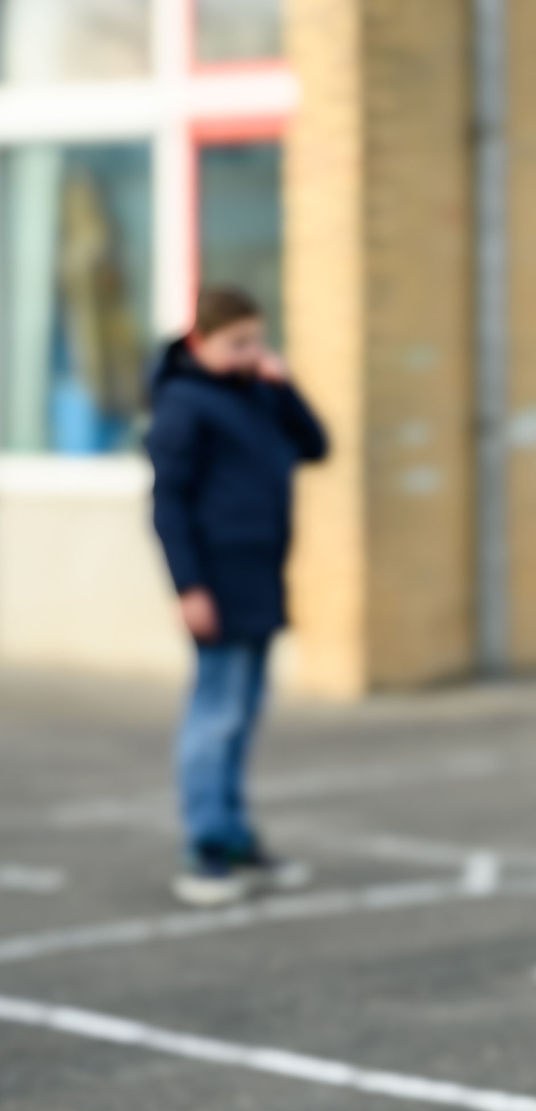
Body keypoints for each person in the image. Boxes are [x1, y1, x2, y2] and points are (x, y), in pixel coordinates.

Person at [146, 285, 327, 907]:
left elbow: (316, 446)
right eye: (238, 343)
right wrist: (188, 586)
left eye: (258, 340)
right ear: (201, 342)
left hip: (260, 574)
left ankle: (234, 834)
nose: (252, 353)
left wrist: (286, 385)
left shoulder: (257, 394)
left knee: (244, 712)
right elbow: (167, 503)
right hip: (216, 581)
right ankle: (205, 847)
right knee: (215, 713)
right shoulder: (183, 404)